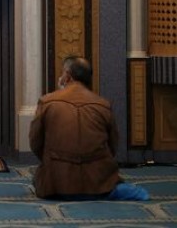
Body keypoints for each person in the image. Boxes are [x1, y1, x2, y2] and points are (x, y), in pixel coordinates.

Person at [29, 56, 149, 200]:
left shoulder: (47, 102)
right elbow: (113, 146)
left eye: (62, 73)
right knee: (132, 191)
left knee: (36, 178)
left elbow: (35, 142)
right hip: (99, 186)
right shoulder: (103, 105)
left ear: (67, 75)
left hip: (56, 185)